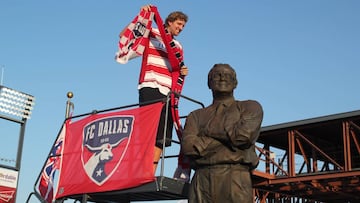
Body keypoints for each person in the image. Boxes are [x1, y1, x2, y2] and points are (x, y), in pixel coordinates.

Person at [117, 5, 189, 175]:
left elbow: (177, 69)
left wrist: (183, 71)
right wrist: (141, 15)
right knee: (147, 131)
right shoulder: (152, 32)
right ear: (169, 22)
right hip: (150, 84)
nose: (180, 28)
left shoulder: (178, 46)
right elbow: (126, 35)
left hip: (169, 93)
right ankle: (139, 170)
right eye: (178, 24)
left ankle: (150, 172)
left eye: (183, 26)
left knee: (162, 136)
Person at [181, 63, 264, 203]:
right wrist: (229, 137)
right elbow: (188, 147)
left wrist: (206, 134)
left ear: (235, 83)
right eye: (217, 75)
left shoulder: (250, 107)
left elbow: (242, 137)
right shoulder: (195, 115)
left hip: (235, 178)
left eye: (227, 75)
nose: (222, 78)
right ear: (209, 83)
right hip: (201, 181)